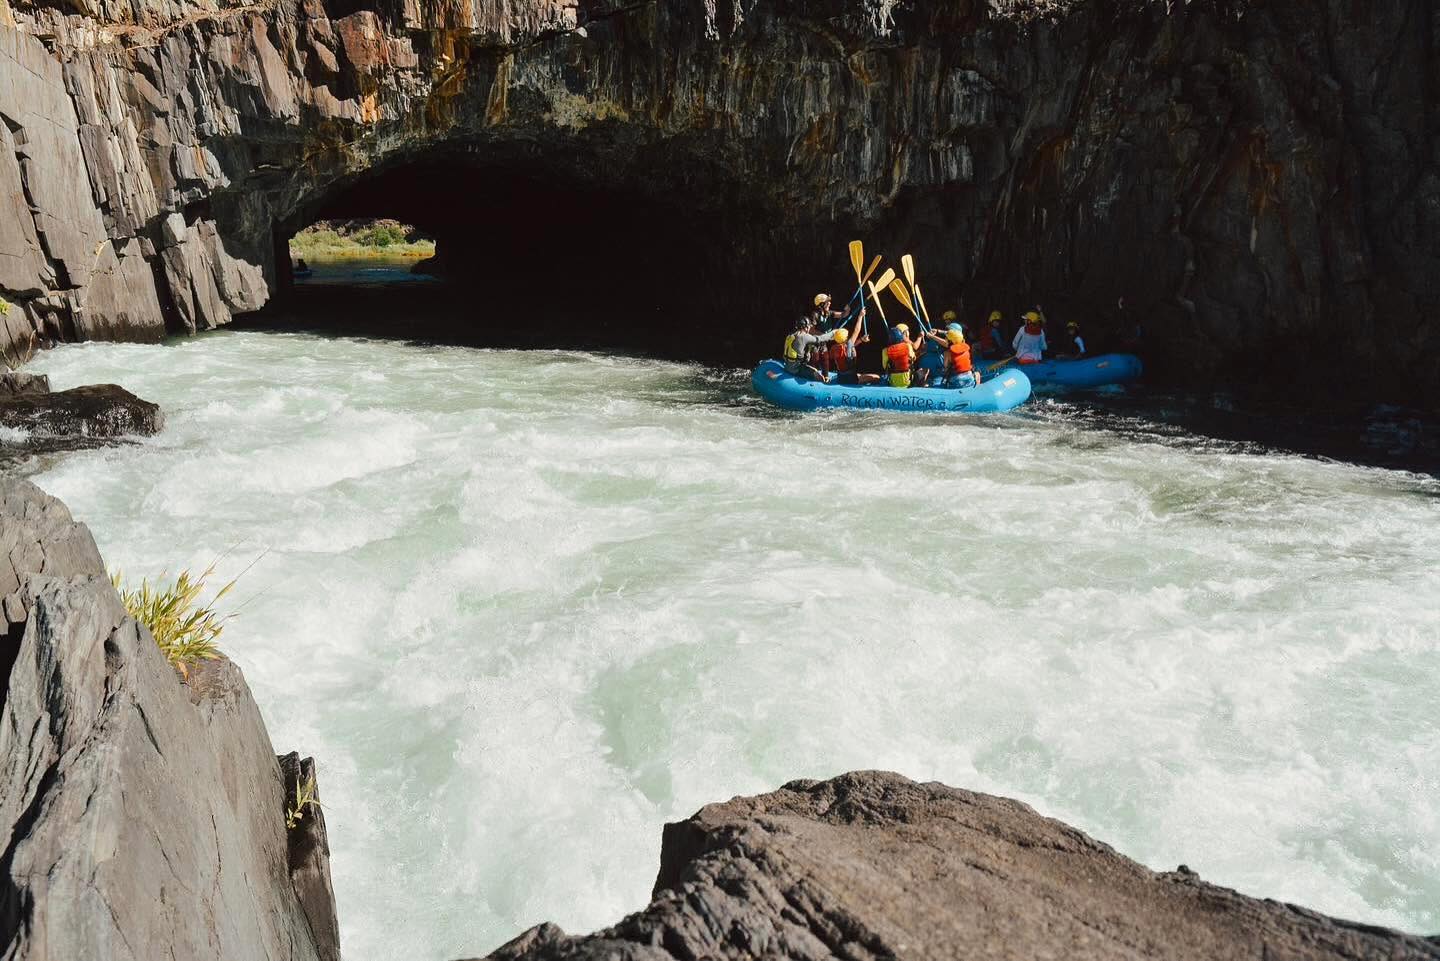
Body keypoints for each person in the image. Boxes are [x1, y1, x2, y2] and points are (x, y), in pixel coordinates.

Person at [819, 310, 881, 384]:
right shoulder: (849, 344)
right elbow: (857, 330)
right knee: (877, 377)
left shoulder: (834, 348)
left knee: (860, 375)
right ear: (845, 338)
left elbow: (847, 349)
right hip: (851, 379)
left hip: (841, 377)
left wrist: (861, 340)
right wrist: (860, 316)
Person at [783, 315, 837, 381]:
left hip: (787, 366)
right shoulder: (804, 336)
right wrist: (833, 333)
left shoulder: (791, 335)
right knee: (817, 374)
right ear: (805, 327)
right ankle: (823, 381)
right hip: (796, 369)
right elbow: (820, 339)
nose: (809, 328)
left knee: (813, 348)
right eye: (808, 326)